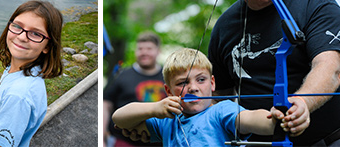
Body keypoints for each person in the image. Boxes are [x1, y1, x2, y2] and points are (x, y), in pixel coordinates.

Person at [209, 0, 340, 146]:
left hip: (334, 140)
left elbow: (329, 67)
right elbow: (219, 98)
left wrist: (302, 102)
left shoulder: (315, 2)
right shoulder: (224, 28)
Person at [112, 48, 308, 146]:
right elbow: (119, 118)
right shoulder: (167, 122)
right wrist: (155, 108)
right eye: (182, 83)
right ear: (169, 91)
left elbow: (253, 119)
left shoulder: (221, 110)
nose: (193, 88)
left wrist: (277, 117)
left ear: (212, 83)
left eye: (201, 80)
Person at [0, 0, 63, 146]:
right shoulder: (22, 71)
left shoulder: (19, 95)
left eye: (36, 33)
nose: (22, 37)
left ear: (47, 46)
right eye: (17, 26)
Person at [103, 32, 167, 146]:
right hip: (123, 140)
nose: (144, 52)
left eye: (149, 49)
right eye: (140, 49)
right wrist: (102, 136)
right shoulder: (120, 74)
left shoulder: (168, 76)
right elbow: (106, 104)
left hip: (160, 141)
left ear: (158, 51)